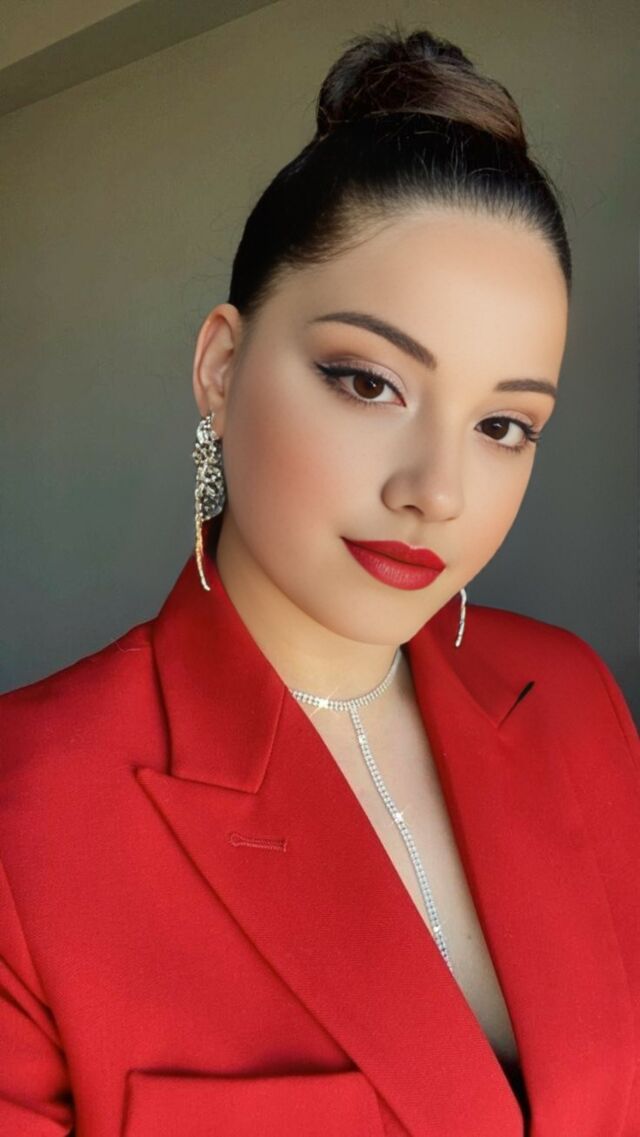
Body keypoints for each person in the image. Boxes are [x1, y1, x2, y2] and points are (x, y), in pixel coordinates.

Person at [1, 20, 638, 1137]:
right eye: (368, 381)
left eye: (503, 424)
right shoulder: (28, 817)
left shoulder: (571, 696)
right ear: (222, 367)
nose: (437, 491)